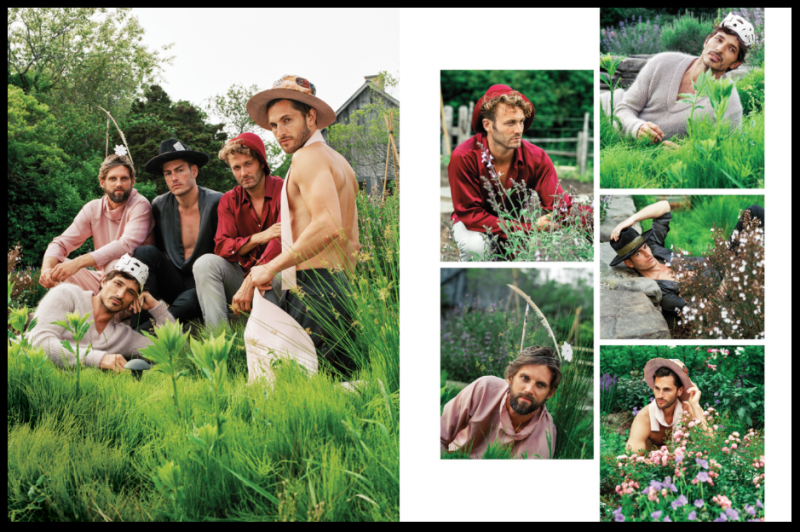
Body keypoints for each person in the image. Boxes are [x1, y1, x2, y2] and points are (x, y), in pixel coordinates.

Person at [246, 74, 360, 375]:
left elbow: (329, 224)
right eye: (274, 125)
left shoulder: (307, 159)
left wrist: (271, 267)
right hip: (343, 287)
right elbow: (353, 240)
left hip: (315, 289)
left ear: (311, 117)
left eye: (287, 120)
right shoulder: (340, 162)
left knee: (314, 390)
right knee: (344, 386)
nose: (280, 132)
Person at [447, 84, 590, 261]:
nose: (519, 130)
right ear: (488, 125)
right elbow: (471, 214)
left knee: (573, 242)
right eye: (510, 123)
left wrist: (590, 218)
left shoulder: (536, 158)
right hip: (473, 225)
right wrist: (529, 228)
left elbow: (559, 205)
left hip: (516, 224)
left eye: (521, 121)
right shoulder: (464, 156)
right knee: (475, 247)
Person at [602, 13, 755, 146]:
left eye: (731, 49)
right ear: (707, 40)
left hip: (635, 149)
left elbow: (725, 151)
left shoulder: (729, 104)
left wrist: (685, 152)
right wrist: (637, 129)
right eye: (719, 39)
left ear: (735, 63)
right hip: (606, 110)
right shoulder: (664, 62)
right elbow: (623, 109)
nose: (720, 49)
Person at [608, 199, 764, 327]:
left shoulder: (655, 249)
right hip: (729, 286)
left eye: (644, 246)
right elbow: (709, 309)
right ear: (629, 263)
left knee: (755, 212)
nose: (647, 253)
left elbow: (664, 206)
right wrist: (728, 281)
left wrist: (631, 219)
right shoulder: (664, 293)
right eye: (638, 254)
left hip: (725, 259)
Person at [130, 138, 222, 331]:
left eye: (180, 170)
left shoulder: (217, 202)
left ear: (194, 171)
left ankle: (136, 337)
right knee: (144, 252)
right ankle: (137, 323)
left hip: (204, 282)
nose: (174, 178)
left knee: (189, 300)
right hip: (174, 279)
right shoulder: (159, 205)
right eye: (168, 173)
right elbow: (157, 251)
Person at [193, 132, 283, 329]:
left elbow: (281, 243)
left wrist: (252, 279)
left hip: (278, 276)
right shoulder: (229, 200)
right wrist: (258, 238)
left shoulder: (284, 190)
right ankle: (219, 343)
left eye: (248, 164)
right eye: (236, 167)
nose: (243, 173)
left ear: (261, 162)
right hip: (240, 277)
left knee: (272, 277)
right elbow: (222, 246)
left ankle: (271, 342)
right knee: (205, 263)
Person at [27, 254, 175, 371]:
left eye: (130, 292)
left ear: (134, 300)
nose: (120, 294)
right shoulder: (67, 294)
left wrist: (157, 308)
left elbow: (174, 352)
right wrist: (99, 359)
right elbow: (37, 341)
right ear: (103, 281)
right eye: (118, 284)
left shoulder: (124, 337)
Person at [38, 153, 155, 295]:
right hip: (104, 281)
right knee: (58, 267)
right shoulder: (93, 208)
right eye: (112, 178)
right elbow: (61, 243)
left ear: (132, 182)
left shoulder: (140, 205)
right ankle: (82, 311)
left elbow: (126, 245)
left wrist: (78, 262)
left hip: (136, 286)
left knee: (115, 265)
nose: (118, 184)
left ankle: (106, 314)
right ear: (102, 182)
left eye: (124, 178)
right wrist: (46, 269)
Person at [440, 346, 559, 459]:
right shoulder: (483, 389)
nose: (529, 390)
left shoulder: (545, 434)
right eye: (525, 378)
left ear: (550, 393)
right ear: (510, 377)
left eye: (540, 385)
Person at [626, 358, 711, 454]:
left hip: (681, 465)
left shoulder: (687, 410)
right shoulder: (645, 417)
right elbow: (631, 458)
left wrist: (695, 405)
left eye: (667, 390)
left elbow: (712, 445)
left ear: (679, 391)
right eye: (657, 388)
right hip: (651, 467)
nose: (660, 395)